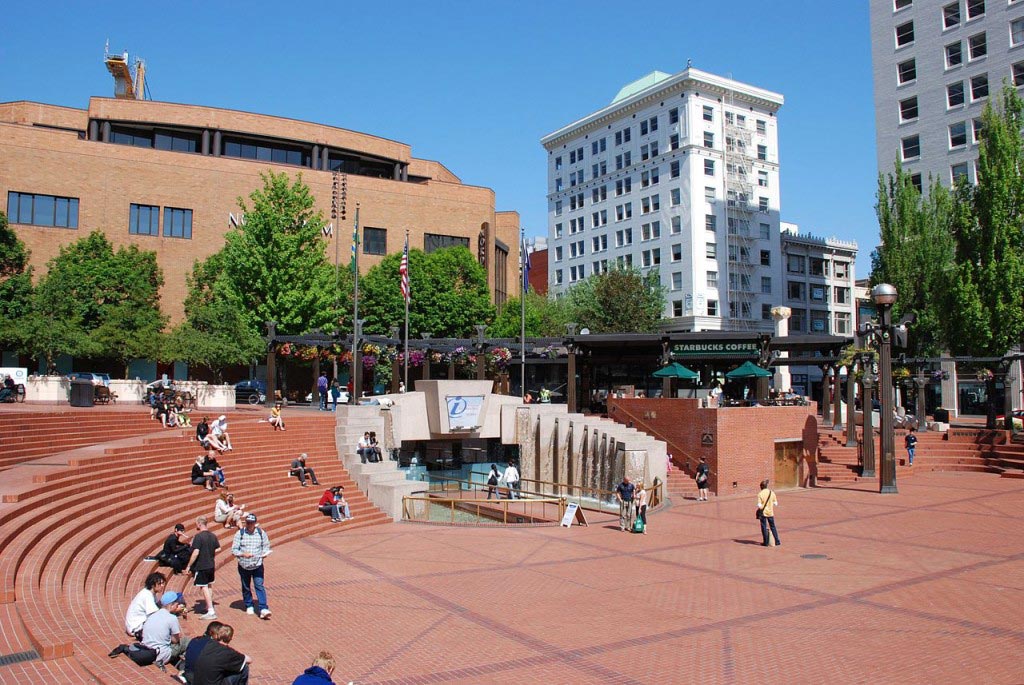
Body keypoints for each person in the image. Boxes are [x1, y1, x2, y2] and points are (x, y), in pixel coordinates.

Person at [232, 513, 272, 620]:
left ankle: (263, 607)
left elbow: (266, 545)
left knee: (259, 585)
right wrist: (243, 554)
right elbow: (234, 550)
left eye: (251, 523)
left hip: (257, 564)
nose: (249, 525)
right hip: (244, 565)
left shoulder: (261, 533)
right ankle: (249, 604)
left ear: (255, 523)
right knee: (246, 586)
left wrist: (265, 554)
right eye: (248, 523)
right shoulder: (239, 534)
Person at [141, 590, 190, 670]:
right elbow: (175, 640)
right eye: (176, 604)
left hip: (147, 649)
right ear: (171, 605)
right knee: (186, 641)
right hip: (162, 654)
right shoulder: (172, 618)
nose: (178, 606)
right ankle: (184, 666)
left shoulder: (152, 615)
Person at [187, 516, 221, 619]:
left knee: (204, 587)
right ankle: (208, 606)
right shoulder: (212, 535)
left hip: (202, 565)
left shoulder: (198, 537)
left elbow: (196, 552)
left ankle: (211, 611)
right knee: (209, 585)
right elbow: (218, 548)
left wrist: (189, 565)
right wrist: (209, 552)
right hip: (211, 564)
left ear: (199, 524)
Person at [124, 572, 166, 640]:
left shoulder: (150, 593)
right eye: (159, 584)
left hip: (135, 624)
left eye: (163, 583)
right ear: (152, 585)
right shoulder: (147, 596)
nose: (162, 585)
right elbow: (155, 614)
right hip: (136, 628)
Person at [757, 479, 781, 547]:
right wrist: (770, 504)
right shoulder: (772, 493)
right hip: (770, 512)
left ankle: (766, 542)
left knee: (764, 527)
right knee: (773, 526)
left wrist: (761, 507)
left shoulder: (760, 494)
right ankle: (777, 541)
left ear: (761, 486)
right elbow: (776, 503)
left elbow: (759, 505)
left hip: (763, 513)